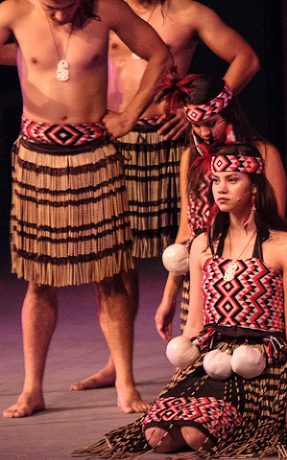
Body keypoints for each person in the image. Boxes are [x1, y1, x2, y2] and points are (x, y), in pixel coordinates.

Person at [71, 0, 260, 393]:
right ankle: (117, 362)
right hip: (113, 136)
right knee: (113, 252)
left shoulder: (187, 13)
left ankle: (209, 342)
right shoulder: (100, 10)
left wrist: (199, 110)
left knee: (200, 237)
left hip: (172, 139)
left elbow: (246, 57)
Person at [78, 144, 287, 460]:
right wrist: (180, 381)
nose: (221, 188)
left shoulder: (286, 246)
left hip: (259, 364)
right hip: (210, 356)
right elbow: (196, 324)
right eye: (215, 180)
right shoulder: (202, 243)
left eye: (232, 179)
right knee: (156, 435)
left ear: (254, 185)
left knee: (196, 434)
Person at [0, 0, 172, 418]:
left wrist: (131, 113)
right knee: (40, 279)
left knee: (111, 275)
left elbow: (160, 54)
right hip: (38, 159)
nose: (58, 14)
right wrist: (23, 55)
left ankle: (126, 383)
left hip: (95, 154)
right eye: (50, 7)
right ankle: (32, 389)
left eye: (66, 6)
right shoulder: (14, 10)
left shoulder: (108, 9)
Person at [154, 74, 287, 342]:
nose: (204, 132)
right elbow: (186, 230)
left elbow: (275, 229)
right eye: (196, 125)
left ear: (228, 112)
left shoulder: (263, 155)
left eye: (211, 123)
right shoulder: (190, 158)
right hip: (203, 281)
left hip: (254, 282)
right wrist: (168, 297)